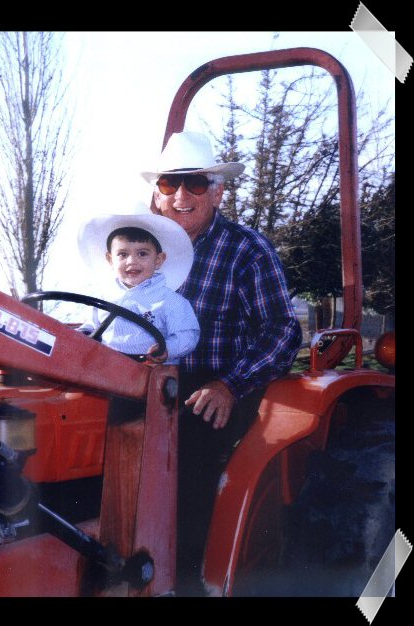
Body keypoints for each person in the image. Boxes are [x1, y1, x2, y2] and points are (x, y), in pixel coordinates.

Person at [141, 131, 303, 594]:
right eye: (171, 184)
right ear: (157, 194)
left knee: (183, 472)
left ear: (217, 191)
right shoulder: (137, 250)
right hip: (148, 383)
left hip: (212, 387)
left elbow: (282, 331)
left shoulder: (246, 249)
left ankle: (187, 583)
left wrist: (229, 387)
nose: (181, 196)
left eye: (195, 183)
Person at [76, 209, 200, 366]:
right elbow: (90, 326)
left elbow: (188, 335)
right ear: (110, 259)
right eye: (122, 254)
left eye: (142, 254)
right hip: (104, 369)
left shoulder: (170, 301)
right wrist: (82, 335)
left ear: (158, 260)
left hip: (149, 373)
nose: (131, 261)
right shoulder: (103, 298)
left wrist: (167, 349)